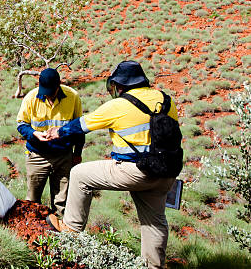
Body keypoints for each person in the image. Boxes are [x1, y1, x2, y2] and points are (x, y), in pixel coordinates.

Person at [44, 61, 179, 269]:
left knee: (79, 174)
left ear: (121, 85)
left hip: (135, 171)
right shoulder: (166, 100)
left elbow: (82, 125)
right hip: (165, 172)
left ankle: (70, 229)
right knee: (154, 222)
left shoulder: (118, 105)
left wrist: (56, 132)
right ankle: (154, 266)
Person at [16, 68, 84, 217]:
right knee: (32, 201)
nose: (47, 94)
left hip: (63, 156)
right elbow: (21, 125)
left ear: (58, 86)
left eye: (50, 91)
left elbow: (80, 128)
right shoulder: (31, 98)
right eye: (44, 90)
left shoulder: (72, 97)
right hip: (37, 155)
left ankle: (60, 233)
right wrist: (34, 134)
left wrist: (77, 154)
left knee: (62, 202)